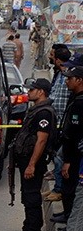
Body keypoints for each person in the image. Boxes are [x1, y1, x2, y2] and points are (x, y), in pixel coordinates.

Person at [5, 78, 55, 231]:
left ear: (41, 92)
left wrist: (32, 165)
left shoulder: (44, 113)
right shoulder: (36, 110)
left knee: (32, 200)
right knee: (27, 198)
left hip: (34, 162)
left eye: (32, 89)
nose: (29, 92)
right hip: (27, 160)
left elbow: (41, 141)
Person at [56, 64, 83, 231]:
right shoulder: (74, 97)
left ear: (79, 80)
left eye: (70, 79)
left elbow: (75, 135)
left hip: (75, 157)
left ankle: (71, 228)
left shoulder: (81, 103)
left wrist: (68, 161)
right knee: (67, 189)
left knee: (71, 190)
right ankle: (67, 219)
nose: (66, 81)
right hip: (70, 153)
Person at [46, 46, 73, 203]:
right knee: (56, 156)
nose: (49, 57)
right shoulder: (58, 74)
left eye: (51, 55)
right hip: (56, 122)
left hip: (63, 123)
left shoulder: (67, 76)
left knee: (60, 158)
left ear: (57, 58)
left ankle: (59, 190)